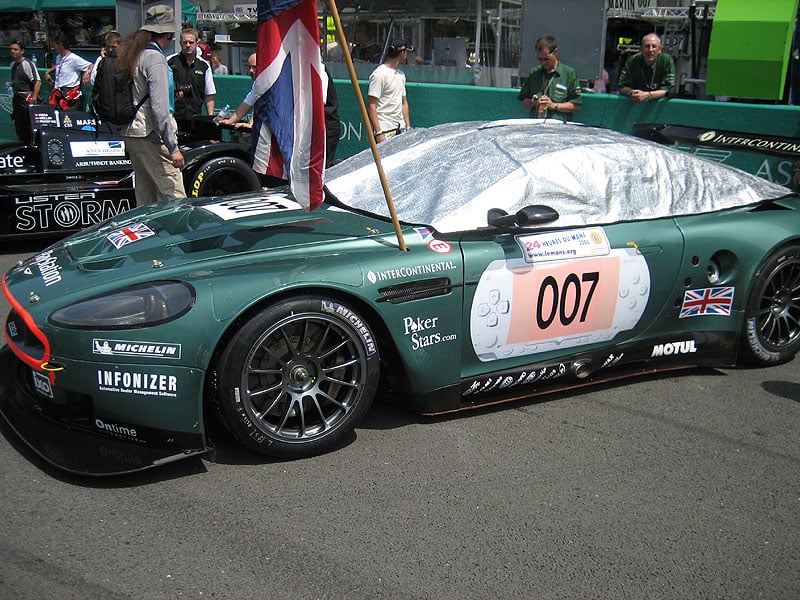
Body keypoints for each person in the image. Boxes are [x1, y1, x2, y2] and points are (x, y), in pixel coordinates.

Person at [117, 4, 185, 205]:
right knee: (174, 198)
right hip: (151, 134)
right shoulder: (155, 59)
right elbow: (160, 108)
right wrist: (173, 147)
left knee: (145, 199)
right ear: (166, 34)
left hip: (133, 132)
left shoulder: (135, 55)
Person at [219, 54, 341, 167]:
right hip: (302, 131)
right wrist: (231, 121)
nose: (251, 71)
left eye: (254, 67)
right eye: (249, 67)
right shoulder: (271, 77)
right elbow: (251, 102)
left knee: (318, 170)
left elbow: (317, 103)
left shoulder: (318, 69)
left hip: (324, 128)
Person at [518, 35, 581, 121]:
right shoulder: (534, 73)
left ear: (555, 52)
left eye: (546, 59)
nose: (543, 62)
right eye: (540, 59)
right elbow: (524, 104)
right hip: (536, 126)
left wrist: (554, 105)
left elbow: (576, 106)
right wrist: (533, 102)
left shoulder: (568, 73)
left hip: (559, 126)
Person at [167, 28, 216, 131]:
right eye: (185, 42)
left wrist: (210, 119)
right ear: (180, 43)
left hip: (195, 120)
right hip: (173, 119)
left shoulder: (204, 66)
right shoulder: (169, 62)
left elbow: (209, 95)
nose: (188, 45)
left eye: (191, 42)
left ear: (197, 43)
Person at [367, 38, 412, 142]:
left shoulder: (401, 75)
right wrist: (379, 133)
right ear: (402, 53)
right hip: (385, 131)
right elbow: (371, 106)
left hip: (401, 130)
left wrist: (408, 128)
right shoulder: (379, 74)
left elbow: (404, 103)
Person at [618, 33, 676, 102]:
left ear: (660, 50)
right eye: (647, 46)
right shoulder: (633, 61)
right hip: (635, 103)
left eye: (654, 46)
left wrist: (647, 95)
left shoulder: (667, 60)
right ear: (641, 49)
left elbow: (669, 89)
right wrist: (631, 93)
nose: (650, 50)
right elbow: (621, 86)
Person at [44, 35, 93, 110]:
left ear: (60, 45)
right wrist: (48, 72)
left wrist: (87, 73)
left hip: (70, 96)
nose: (54, 48)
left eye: (55, 45)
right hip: (58, 92)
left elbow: (90, 65)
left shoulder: (73, 58)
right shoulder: (59, 57)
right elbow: (59, 65)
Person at [8, 39, 42, 142]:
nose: (13, 51)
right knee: (19, 124)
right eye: (11, 49)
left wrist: (34, 98)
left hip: (26, 98)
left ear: (22, 51)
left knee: (29, 124)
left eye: (15, 49)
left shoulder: (27, 64)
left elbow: (38, 81)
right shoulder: (13, 64)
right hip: (17, 98)